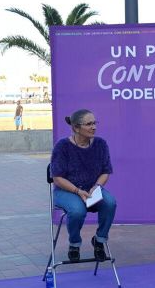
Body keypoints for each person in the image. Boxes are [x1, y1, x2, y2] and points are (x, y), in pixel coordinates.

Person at [50, 109, 116, 262]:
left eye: (94, 123)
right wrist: (78, 191)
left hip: (92, 189)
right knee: (77, 211)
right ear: (76, 128)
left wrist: (96, 187)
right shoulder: (62, 146)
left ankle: (99, 241)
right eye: (89, 124)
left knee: (110, 203)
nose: (94, 127)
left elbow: (106, 171)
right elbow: (57, 178)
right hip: (67, 191)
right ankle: (74, 243)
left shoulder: (100, 144)